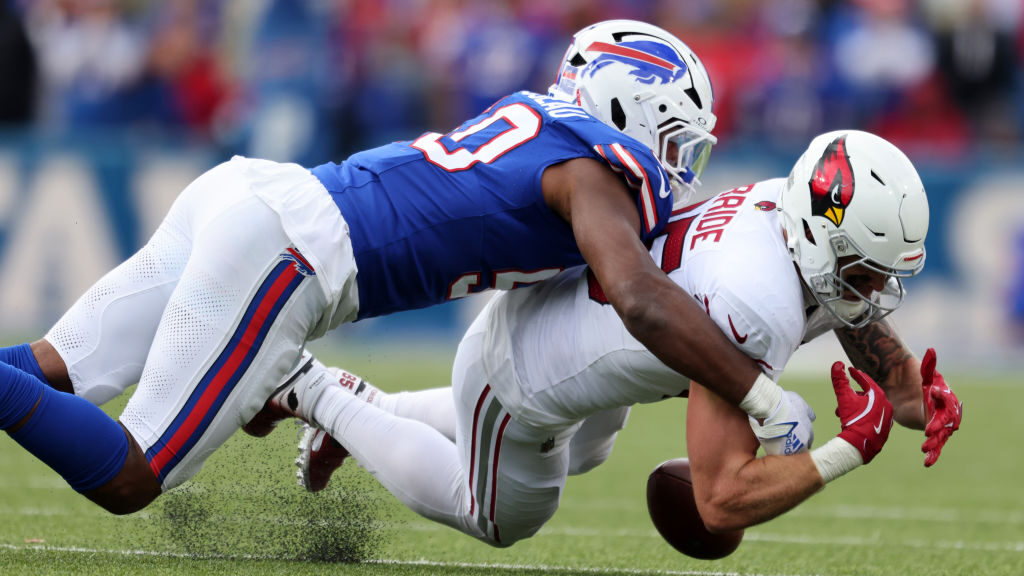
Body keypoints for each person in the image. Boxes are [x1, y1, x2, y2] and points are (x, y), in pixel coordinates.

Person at [0, 20, 811, 515]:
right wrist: (759, 391)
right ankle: (295, 386)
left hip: (254, 195)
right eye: (677, 139)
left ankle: (293, 386)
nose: (681, 165)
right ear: (632, 107)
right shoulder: (594, 172)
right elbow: (637, 299)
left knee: (50, 369)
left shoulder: (544, 127)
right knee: (132, 476)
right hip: (292, 249)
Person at [259, 129, 963, 547]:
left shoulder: (791, 207)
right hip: (521, 368)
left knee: (589, 449)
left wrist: (913, 396)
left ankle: (367, 413)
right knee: (502, 515)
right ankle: (322, 391)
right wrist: (848, 450)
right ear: (819, 239)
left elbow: (853, 314)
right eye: (865, 273)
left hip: (585, 331)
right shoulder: (755, 301)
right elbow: (719, 501)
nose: (876, 293)